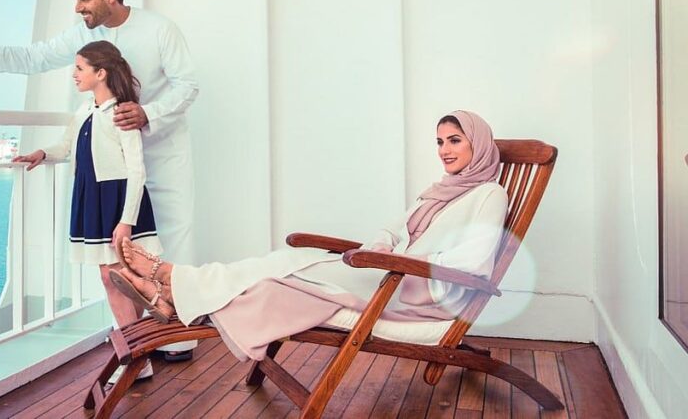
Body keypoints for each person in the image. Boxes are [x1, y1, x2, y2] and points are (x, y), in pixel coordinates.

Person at [0, 0, 200, 361]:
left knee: (167, 250)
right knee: (119, 263)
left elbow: (188, 85)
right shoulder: (84, 35)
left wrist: (149, 113)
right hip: (110, 170)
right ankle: (138, 343)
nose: (78, 7)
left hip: (162, 154)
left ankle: (178, 341)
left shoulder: (159, 28)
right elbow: (35, 58)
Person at [110, 110, 508, 361]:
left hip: (412, 294)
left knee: (275, 281)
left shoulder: (489, 194)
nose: (444, 150)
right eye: (439, 141)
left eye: (455, 140)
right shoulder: (440, 189)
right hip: (388, 274)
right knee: (281, 263)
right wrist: (383, 247)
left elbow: (474, 263)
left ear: (477, 144)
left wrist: (401, 263)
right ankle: (174, 289)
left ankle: (171, 281)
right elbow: (394, 227)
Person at [13, 41, 160, 380]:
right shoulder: (84, 110)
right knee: (118, 278)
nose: (74, 74)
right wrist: (42, 153)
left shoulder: (120, 112)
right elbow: (66, 146)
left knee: (116, 277)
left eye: (80, 68)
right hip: (92, 197)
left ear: (101, 73)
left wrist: (126, 220)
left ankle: (135, 356)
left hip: (118, 200)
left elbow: (137, 170)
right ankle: (139, 354)